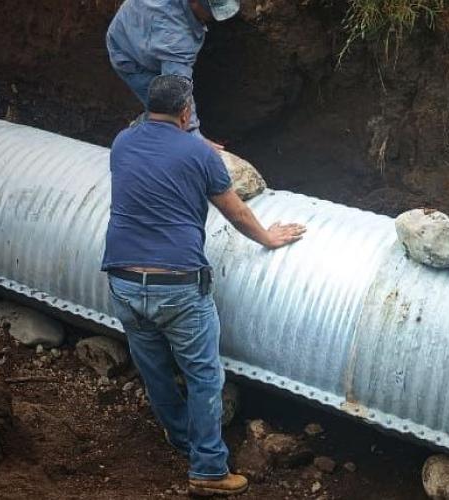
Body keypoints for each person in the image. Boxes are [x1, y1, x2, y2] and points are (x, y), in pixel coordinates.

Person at [101, 75, 306, 496]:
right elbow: (235, 213)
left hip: (122, 279)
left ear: (147, 108)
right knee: (204, 376)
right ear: (185, 112)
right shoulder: (198, 153)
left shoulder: (122, 143)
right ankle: (209, 468)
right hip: (177, 285)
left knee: (155, 369)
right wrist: (269, 237)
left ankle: (180, 438)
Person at [106, 0, 239, 148]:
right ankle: (140, 136)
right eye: (209, 12)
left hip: (132, 24)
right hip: (129, 57)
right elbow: (176, 90)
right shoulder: (177, 38)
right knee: (166, 111)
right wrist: (192, 133)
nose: (212, 18)